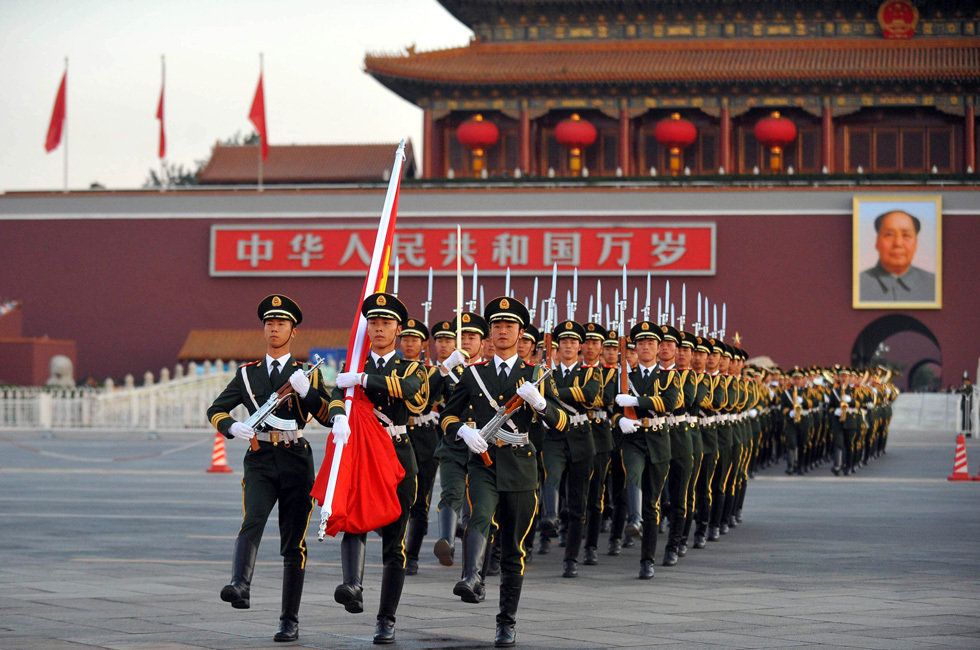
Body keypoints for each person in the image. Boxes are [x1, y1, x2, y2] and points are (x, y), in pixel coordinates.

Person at [440, 296, 567, 647]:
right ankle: (471, 577)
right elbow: (447, 416)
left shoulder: (536, 375)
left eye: (508, 326)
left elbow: (561, 422)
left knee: (513, 548)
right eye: (495, 325)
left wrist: (540, 404)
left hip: (522, 467)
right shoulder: (474, 374)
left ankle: (506, 621)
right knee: (478, 516)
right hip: (483, 463)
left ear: (520, 333)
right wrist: (463, 431)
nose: (501, 331)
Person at [207, 294, 331, 643]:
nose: (274, 328)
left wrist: (308, 394)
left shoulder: (307, 373)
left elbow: (324, 414)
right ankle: (240, 584)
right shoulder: (248, 374)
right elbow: (217, 409)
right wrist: (231, 427)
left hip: (295, 457)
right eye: (269, 323)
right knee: (252, 520)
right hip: (260, 457)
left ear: (294, 332)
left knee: (293, 543)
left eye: (281, 323)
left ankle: (289, 620)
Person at [330, 292, 427, 644]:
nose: (379, 328)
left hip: (397, 454)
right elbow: (334, 399)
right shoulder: (354, 364)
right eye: (373, 322)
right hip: (361, 455)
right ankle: (352, 585)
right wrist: (338, 414)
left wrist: (363, 380)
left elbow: (413, 391)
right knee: (354, 521)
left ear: (398, 329)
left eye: (386, 323)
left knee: (394, 543)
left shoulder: (410, 366)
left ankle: (386, 618)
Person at [611, 321, 679, 579]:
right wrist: (621, 420)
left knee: (653, 503)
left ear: (659, 347)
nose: (646, 347)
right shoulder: (625, 377)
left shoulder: (668, 376)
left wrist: (637, 401)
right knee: (632, 475)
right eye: (641, 344)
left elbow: (670, 402)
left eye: (651, 343)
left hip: (659, 439)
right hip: (633, 439)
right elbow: (612, 408)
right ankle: (634, 520)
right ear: (635, 348)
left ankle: (647, 559)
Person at [543, 319, 599, 578]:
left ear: (580, 346)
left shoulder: (590, 372)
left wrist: (552, 393)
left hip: (580, 436)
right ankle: (551, 517)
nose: (568, 346)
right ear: (557, 346)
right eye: (563, 342)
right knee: (551, 476)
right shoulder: (546, 371)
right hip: (554, 435)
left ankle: (571, 557)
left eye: (573, 342)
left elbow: (588, 394)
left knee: (578, 500)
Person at [432, 311, 489, 567]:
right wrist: (444, 367)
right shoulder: (448, 371)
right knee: (451, 492)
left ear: (483, 342)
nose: (466, 341)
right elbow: (423, 396)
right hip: (454, 441)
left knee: (479, 504)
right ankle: (447, 541)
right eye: (461, 336)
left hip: (483, 444)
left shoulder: (489, 371)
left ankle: (481, 559)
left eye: (472, 336)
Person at [399, 318, 444, 576]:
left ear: (423, 343)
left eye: (414, 339)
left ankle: (412, 554)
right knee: (396, 495)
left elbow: (429, 400)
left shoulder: (431, 373)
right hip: (399, 435)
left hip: (426, 438)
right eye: (405, 338)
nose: (409, 343)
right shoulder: (392, 370)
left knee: (420, 499)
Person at [859, 210, 936, 302]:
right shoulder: (858, 284)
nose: (898, 243)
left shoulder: (934, 284)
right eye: (889, 235)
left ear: (916, 243)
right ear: (877, 242)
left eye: (906, 235)